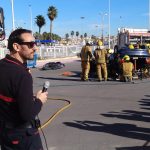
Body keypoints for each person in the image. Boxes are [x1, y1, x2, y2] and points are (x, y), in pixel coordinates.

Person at [0, 28, 48, 150]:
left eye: (35, 43)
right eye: (31, 44)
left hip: (5, 134)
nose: (35, 47)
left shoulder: (3, 65)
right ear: (16, 46)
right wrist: (39, 100)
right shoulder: (22, 75)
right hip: (23, 137)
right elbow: (27, 114)